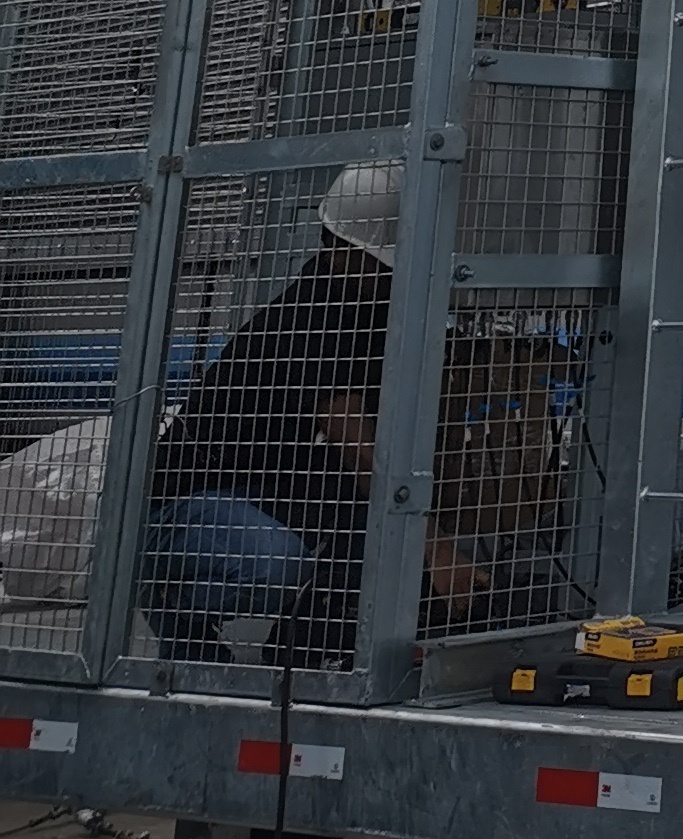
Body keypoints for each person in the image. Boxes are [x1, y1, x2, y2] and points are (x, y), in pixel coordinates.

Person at [138, 161, 489, 668]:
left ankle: (295, 664)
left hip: (270, 487)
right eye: (383, 260)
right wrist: (430, 546)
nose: (396, 271)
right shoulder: (314, 315)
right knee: (278, 565)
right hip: (191, 500)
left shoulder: (375, 308)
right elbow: (354, 438)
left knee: (364, 552)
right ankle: (171, 600)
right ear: (340, 249)